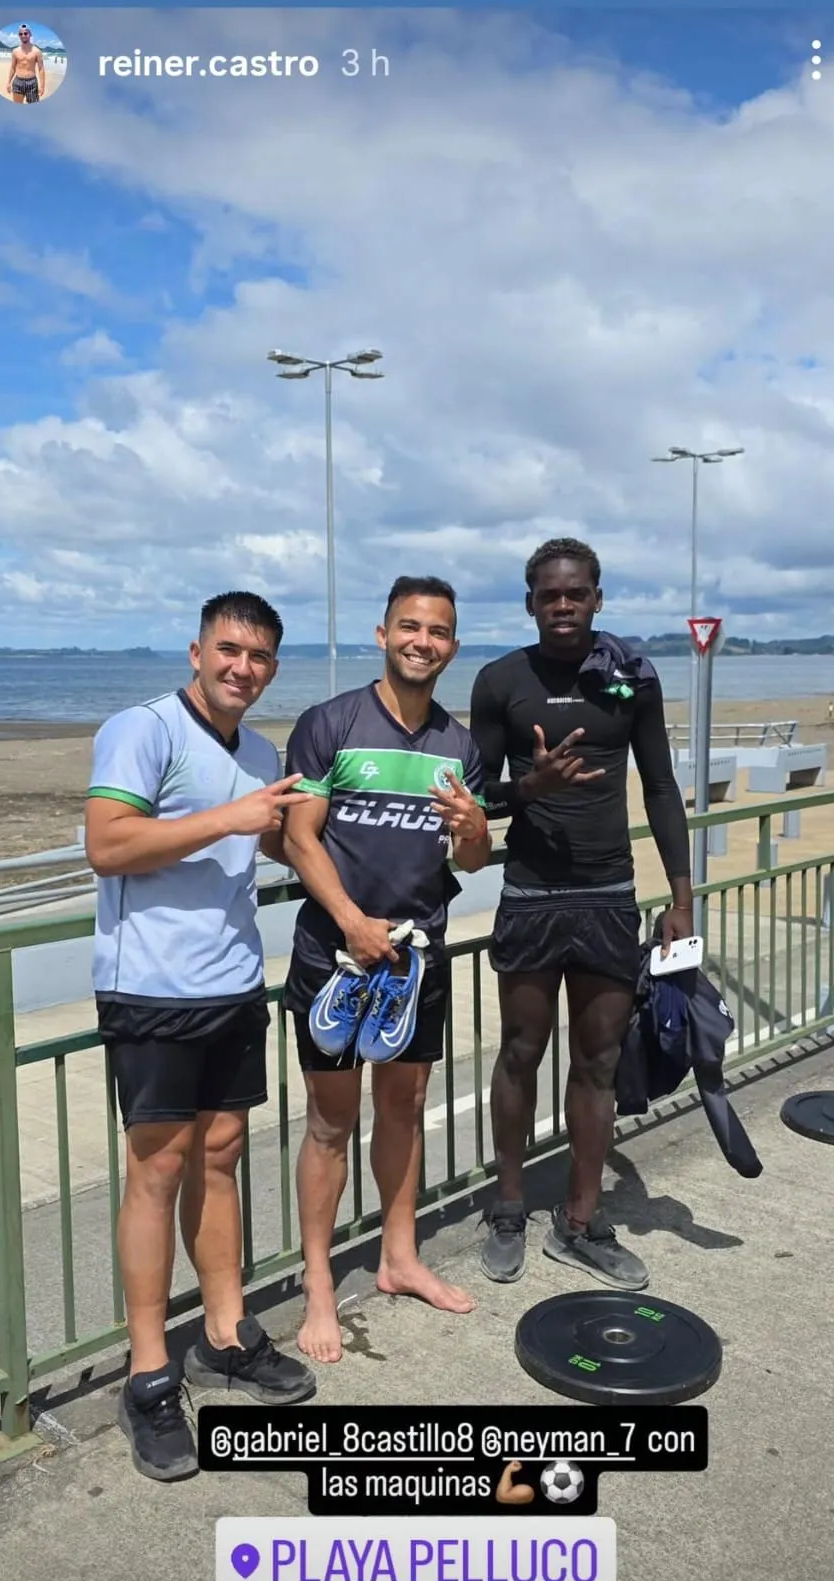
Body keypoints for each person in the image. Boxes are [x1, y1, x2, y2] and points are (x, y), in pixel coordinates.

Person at [85, 591, 316, 1483]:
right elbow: (108, 844)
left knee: (220, 1153)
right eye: (229, 651)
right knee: (157, 1168)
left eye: (259, 657)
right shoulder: (139, 729)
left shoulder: (258, 750)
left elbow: (276, 841)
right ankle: (149, 1375)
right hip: (148, 989)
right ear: (197, 650)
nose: (242, 669)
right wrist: (231, 819)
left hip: (231, 984)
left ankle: (226, 1331)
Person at [470, 539, 693, 1289]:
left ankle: (580, 1221)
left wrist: (681, 898)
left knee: (597, 1061)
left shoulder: (630, 678)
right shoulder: (500, 681)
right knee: (520, 1053)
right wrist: (528, 789)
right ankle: (507, 1206)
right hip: (532, 892)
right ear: (529, 602)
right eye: (548, 596)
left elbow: (660, 788)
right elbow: (475, 797)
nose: (562, 607)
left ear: (599, 598)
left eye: (577, 594)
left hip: (606, 893)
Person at [281, 576, 492, 1364]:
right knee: (331, 1123)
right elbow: (301, 839)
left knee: (403, 1107)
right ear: (383, 633)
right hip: (333, 956)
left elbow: (471, 857)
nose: (422, 641)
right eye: (409, 626)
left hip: (415, 958)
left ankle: (399, 1259)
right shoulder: (330, 723)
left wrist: (475, 830)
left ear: (453, 647)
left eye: (437, 632)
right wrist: (351, 923)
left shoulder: (459, 745)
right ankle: (319, 1285)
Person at [7, 24, 45, 102]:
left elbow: (41, 69)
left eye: (25, 33)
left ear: (30, 34)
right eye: (20, 34)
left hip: (32, 82)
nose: (23, 35)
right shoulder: (15, 51)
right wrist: (8, 82)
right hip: (18, 82)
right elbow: (13, 67)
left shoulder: (37, 51)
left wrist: (42, 86)